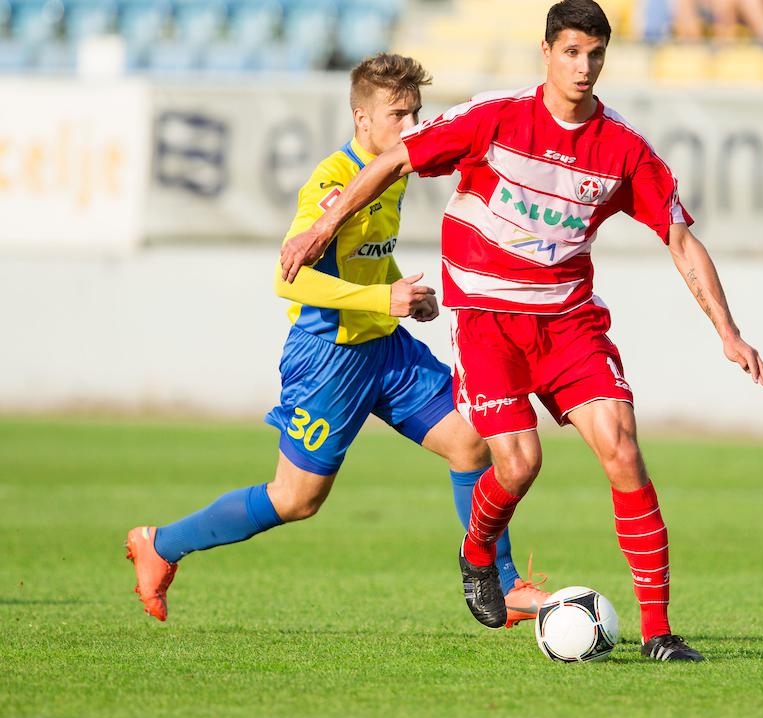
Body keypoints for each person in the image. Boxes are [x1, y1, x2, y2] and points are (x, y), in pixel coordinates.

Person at [280, 0, 763, 662]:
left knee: (623, 451)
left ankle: (659, 633)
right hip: (487, 321)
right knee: (520, 462)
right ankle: (477, 552)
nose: (584, 66)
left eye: (595, 54)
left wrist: (728, 331)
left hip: (568, 322)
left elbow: (681, 239)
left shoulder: (622, 149)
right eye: (571, 52)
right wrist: (321, 226)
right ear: (547, 53)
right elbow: (395, 160)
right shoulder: (497, 117)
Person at [125, 53, 550, 628]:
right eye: (398, 115)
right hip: (328, 356)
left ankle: (501, 588)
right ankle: (161, 544)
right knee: (296, 499)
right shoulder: (330, 184)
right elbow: (287, 275)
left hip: (385, 348)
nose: (412, 127)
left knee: (473, 442)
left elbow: (363, 256)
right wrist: (383, 299)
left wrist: (398, 288)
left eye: (417, 113)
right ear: (361, 117)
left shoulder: (396, 172)